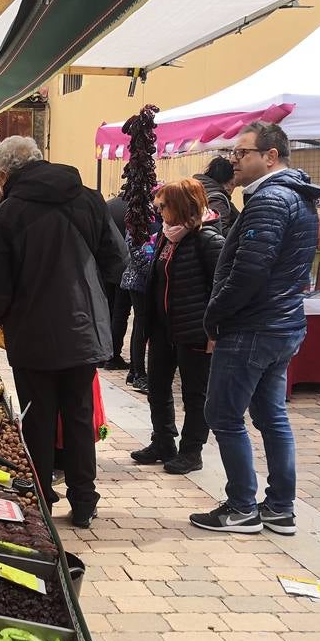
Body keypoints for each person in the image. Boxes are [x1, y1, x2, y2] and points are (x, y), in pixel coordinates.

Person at [0, 136, 127, 528]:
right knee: (78, 414)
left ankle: (40, 496)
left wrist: (4, 316)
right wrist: (92, 296)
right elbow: (118, 260)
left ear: (5, 175)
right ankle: (84, 501)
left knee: (38, 417)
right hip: (83, 331)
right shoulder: (90, 199)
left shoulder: (6, 214)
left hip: (32, 335)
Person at [190, 122, 320, 534]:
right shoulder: (298, 198)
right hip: (280, 323)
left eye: (243, 153)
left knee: (224, 414)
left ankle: (242, 506)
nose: (235, 160)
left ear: (270, 156)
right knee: (271, 415)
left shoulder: (270, 200)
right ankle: (280, 507)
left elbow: (248, 272)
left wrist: (215, 315)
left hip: (253, 325)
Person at [130, 178, 225, 475]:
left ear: (182, 206)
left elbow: (219, 288)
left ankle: (191, 451)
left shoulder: (208, 240)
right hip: (163, 329)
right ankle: (163, 441)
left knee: (194, 394)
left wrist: (213, 331)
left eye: (164, 205)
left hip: (194, 331)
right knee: (157, 388)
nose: (159, 211)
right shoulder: (166, 237)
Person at [120, 197, 162, 393]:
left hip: (150, 282)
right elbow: (136, 253)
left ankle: (134, 370)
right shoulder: (140, 220)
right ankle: (138, 373)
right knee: (141, 326)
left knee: (143, 325)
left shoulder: (163, 220)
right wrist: (156, 270)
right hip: (139, 281)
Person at [104, 194, 131, 370]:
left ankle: (103, 353)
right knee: (120, 314)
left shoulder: (108, 205)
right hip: (126, 267)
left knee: (108, 311)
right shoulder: (137, 207)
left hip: (106, 265)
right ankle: (113, 356)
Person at [195, 156, 239, 231]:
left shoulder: (199, 191)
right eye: (232, 184)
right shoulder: (216, 199)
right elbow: (221, 230)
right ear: (224, 180)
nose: (231, 189)